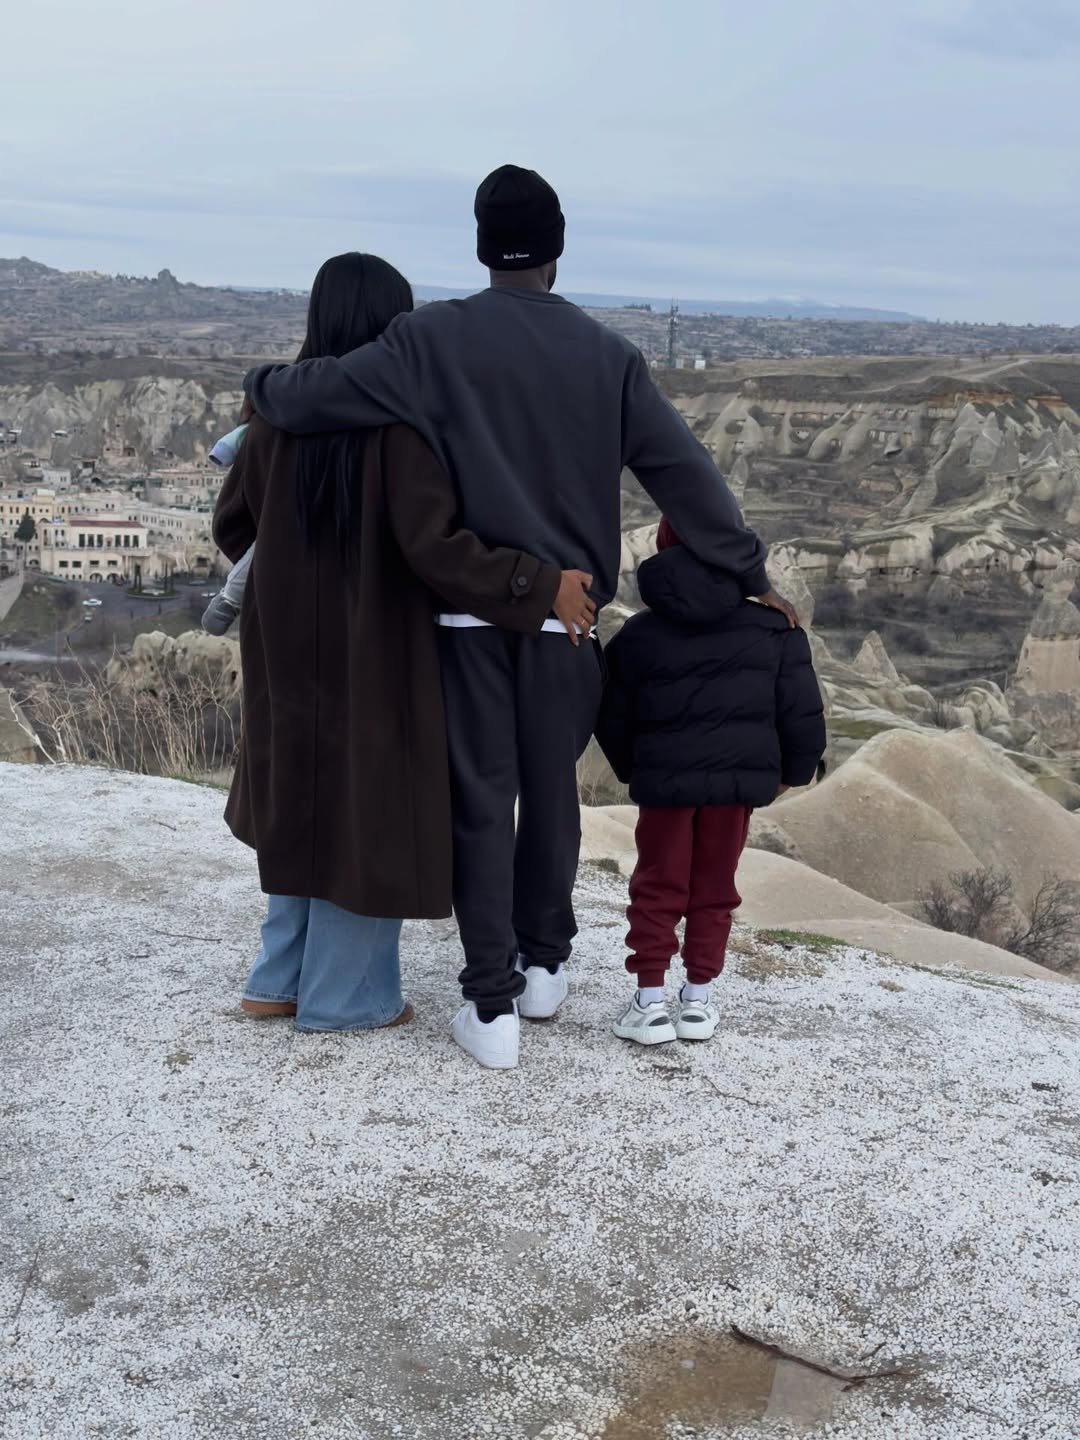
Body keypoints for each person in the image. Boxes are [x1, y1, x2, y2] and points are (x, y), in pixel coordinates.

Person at [243, 164, 795, 1070]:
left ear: (478, 245)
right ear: (558, 246)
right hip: (568, 631)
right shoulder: (608, 357)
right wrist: (747, 570)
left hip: (466, 627)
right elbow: (685, 478)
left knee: (477, 808)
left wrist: (263, 382)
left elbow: (310, 396)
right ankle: (545, 969)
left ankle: (489, 1007)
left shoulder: (428, 340)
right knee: (552, 803)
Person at [213, 251, 595, 1037]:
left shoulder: (271, 425)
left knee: (298, 800)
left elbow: (233, 529)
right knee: (366, 811)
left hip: (282, 651)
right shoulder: (397, 430)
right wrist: (538, 583)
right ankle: (345, 997)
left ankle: (275, 979)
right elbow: (442, 551)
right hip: (376, 653)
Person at [595, 518, 825, 1045]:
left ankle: (650, 1001)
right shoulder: (774, 628)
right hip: (735, 791)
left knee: (657, 883)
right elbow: (802, 712)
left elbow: (610, 714)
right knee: (714, 888)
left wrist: (638, 769)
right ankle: (697, 1001)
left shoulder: (639, 634)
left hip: (665, 789)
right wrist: (790, 774)